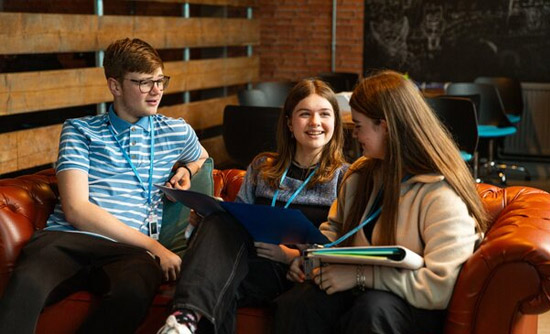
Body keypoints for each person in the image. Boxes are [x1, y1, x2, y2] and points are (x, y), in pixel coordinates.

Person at [0, 38, 208, 333]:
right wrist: (154, 247)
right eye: (144, 83)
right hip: (68, 240)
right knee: (28, 284)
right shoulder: (80, 130)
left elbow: (202, 154)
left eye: (161, 81)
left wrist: (189, 167)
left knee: (133, 293)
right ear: (115, 85)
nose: (157, 91)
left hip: (128, 251)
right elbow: (76, 209)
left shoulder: (175, 131)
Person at [273, 70, 488, 334]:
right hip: (362, 290)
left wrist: (362, 277)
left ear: (385, 127)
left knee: (373, 309)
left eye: (359, 125)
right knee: (300, 302)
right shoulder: (362, 173)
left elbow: (438, 287)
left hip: (412, 305)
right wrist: (309, 260)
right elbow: (334, 232)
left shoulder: (441, 194)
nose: (354, 134)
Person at [158, 79, 349, 334]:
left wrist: (290, 255)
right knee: (219, 223)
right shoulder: (262, 166)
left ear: (335, 123)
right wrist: (206, 217)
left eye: (324, 114)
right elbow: (239, 217)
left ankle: (184, 317)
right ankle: (185, 319)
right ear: (290, 123)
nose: (315, 122)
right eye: (305, 114)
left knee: (221, 282)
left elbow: (345, 242)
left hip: (295, 272)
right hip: (249, 260)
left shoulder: (345, 177)